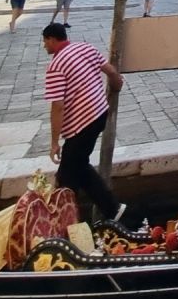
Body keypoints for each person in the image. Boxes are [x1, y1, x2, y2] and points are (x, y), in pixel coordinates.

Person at [40, 22, 123, 220]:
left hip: (81, 123)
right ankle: (110, 210)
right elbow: (110, 71)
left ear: (52, 39)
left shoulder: (56, 66)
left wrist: (54, 143)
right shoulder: (85, 47)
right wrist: (117, 85)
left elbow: (57, 106)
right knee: (76, 166)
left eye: (45, 42)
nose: (44, 46)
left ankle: (67, 220)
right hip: (100, 113)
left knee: (68, 175)